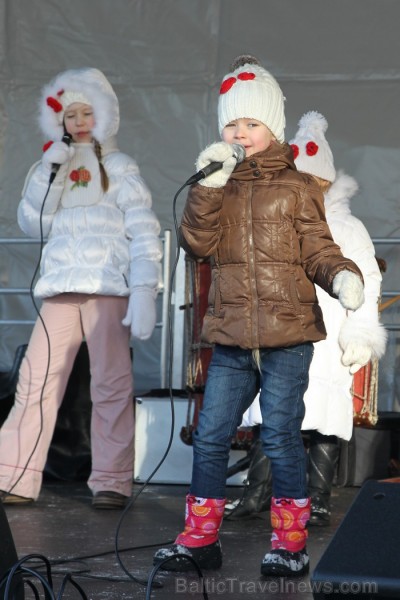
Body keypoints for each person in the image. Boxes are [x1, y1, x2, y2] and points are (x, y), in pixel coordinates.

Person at [153, 55, 365, 577]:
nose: (241, 133)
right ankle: (199, 539)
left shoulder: (296, 187)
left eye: (252, 123)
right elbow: (196, 242)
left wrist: (341, 275)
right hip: (230, 337)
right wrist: (206, 186)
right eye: (232, 123)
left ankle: (289, 547)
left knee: (280, 435)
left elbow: (318, 247)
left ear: (271, 128)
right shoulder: (217, 185)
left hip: (286, 335)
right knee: (210, 435)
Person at [0, 68, 162, 510]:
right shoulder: (51, 165)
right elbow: (32, 223)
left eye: (87, 112)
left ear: (104, 115)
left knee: (110, 383)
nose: (79, 121)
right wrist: (46, 171)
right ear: (60, 120)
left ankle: (111, 479)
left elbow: (145, 230)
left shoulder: (120, 166)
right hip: (60, 288)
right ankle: (14, 475)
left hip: (107, 287)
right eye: (71, 114)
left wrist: (145, 287)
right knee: (34, 380)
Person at [235, 111, 387, 526]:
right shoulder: (272, 214)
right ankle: (257, 492)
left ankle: (317, 496)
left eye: (315, 182)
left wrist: (360, 330)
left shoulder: (347, 227)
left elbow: (368, 279)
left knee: (324, 418)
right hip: (282, 328)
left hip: (330, 331)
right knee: (273, 413)